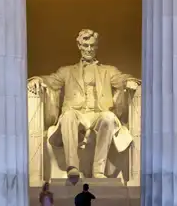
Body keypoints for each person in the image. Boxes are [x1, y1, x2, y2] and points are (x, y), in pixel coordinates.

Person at [28, 29, 140, 178]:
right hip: (76, 113)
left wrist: (129, 81)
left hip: (98, 114)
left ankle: (99, 171)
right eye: (86, 45)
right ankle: (72, 167)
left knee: (108, 117)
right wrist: (38, 80)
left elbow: (121, 78)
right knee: (67, 116)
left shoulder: (108, 71)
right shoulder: (67, 71)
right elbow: (51, 80)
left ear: (96, 47)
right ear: (79, 46)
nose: (89, 49)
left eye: (92, 46)